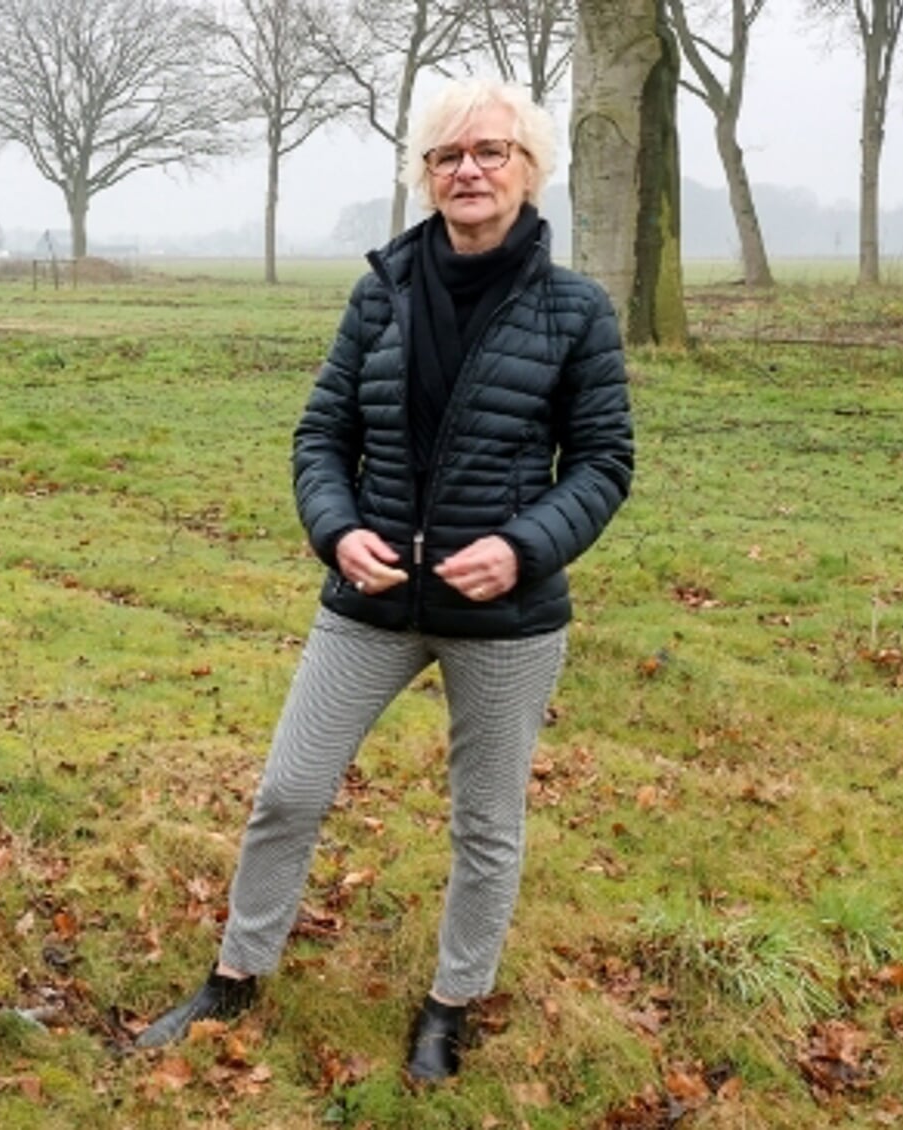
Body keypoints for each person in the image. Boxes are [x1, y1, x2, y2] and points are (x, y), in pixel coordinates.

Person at [132, 79, 633, 1082]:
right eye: (446, 156)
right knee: (287, 789)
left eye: (489, 152)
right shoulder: (380, 293)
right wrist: (334, 530)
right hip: (370, 600)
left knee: (484, 824)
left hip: (505, 616)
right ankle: (235, 974)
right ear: (422, 176)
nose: (468, 171)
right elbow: (322, 433)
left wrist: (524, 546)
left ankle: (450, 1003)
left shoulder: (574, 309)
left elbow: (601, 461)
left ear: (528, 170)